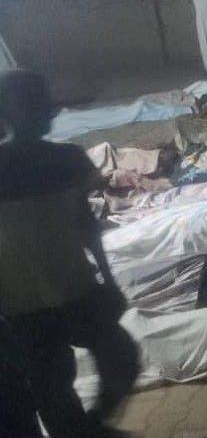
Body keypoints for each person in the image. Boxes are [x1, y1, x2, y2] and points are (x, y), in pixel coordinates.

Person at [0, 69, 139, 438]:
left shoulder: (69, 160)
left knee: (120, 356)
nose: (47, 113)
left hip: (73, 286)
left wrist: (108, 281)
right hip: (20, 305)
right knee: (53, 384)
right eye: (35, 105)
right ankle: (77, 430)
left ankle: (87, 426)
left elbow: (86, 226)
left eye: (45, 105)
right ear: (9, 112)